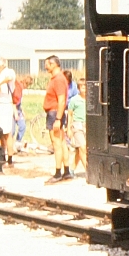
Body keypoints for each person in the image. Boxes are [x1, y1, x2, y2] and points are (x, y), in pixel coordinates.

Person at [43, 55, 70, 183]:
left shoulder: (58, 79)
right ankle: (66, 171)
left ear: (53, 65)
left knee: (56, 143)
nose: (45, 67)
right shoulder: (58, 78)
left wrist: (58, 119)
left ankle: (58, 173)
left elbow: (61, 100)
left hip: (54, 113)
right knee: (62, 142)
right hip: (56, 113)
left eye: (47, 64)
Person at [67, 78, 87, 173]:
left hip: (87, 125)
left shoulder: (90, 99)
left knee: (80, 150)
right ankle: (88, 171)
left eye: (86, 87)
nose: (85, 89)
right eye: (83, 87)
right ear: (79, 88)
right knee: (82, 147)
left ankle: (72, 168)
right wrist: (68, 128)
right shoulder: (74, 100)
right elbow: (70, 114)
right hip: (77, 125)